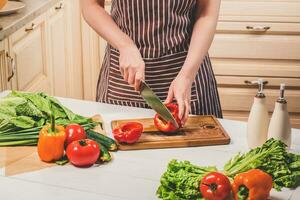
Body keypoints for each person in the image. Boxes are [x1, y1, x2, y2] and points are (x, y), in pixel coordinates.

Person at [81, 0, 222, 125]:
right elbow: (90, 5)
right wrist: (125, 45)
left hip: (187, 70)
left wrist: (187, 75)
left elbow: (206, 14)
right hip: (123, 80)